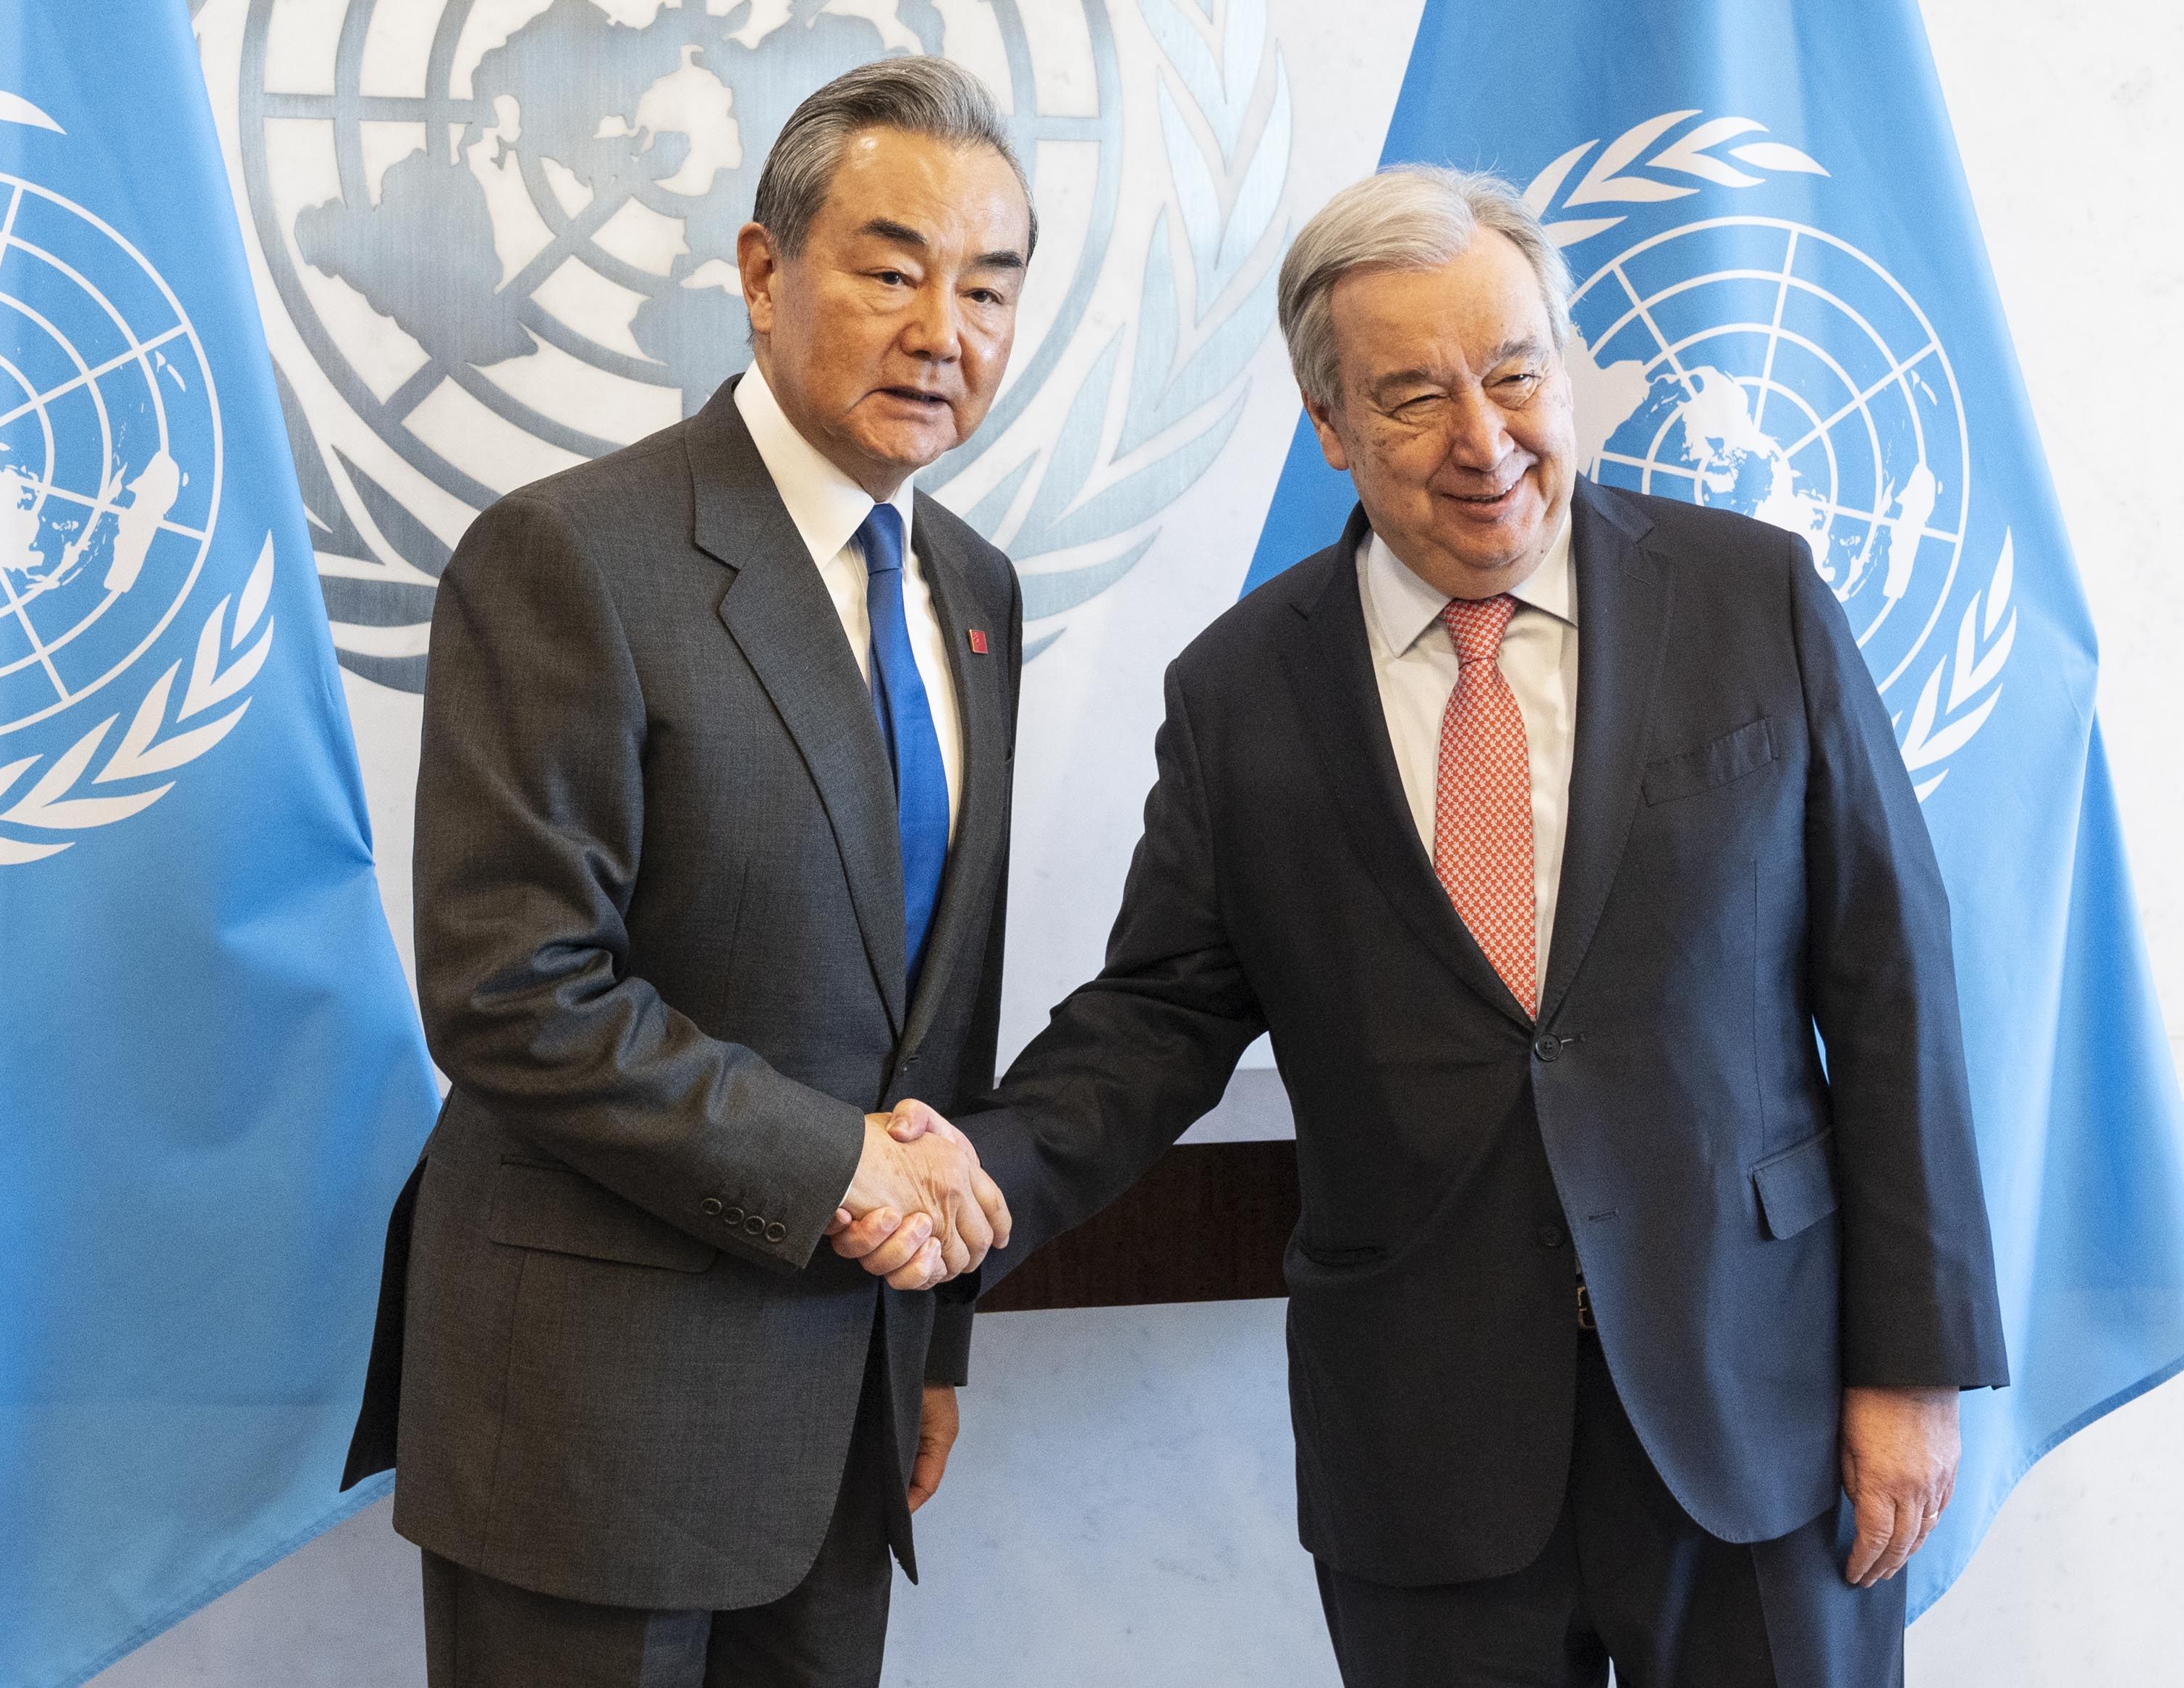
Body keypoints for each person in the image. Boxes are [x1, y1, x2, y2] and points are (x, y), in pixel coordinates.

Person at [845, 166, 2010, 1687]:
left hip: (1756, 1417)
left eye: (1515, 372)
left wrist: (1910, 1369)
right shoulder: (1243, 694)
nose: (1484, 441)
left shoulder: (1755, 600)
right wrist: (971, 1175)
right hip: (1428, 1444)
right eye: (1409, 398)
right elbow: (1159, 1021)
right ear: (1328, 429)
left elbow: (1892, 987)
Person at [339, 56, 1027, 1688]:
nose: (945, 327)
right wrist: (844, 1177)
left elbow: (935, 1004)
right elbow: (518, 992)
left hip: (842, 1409)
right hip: (588, 1421)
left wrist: (931, 1342)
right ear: (761, 274)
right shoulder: (573, 554)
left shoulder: (975, 589)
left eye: (990, 285)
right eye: (890, 268)